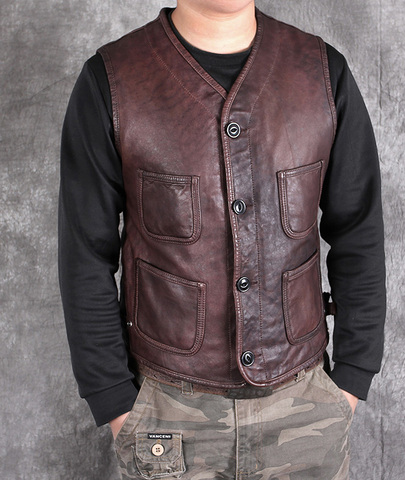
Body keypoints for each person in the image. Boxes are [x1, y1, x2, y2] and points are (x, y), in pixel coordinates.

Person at [59, 1, 386, 478]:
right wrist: (115, 402)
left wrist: (352, 378)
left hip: (306, 407)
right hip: (166, 411)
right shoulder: (111, 79)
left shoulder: (321, 71)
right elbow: (85, 256)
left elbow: (360, 232)